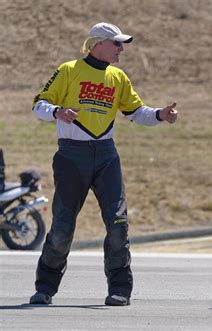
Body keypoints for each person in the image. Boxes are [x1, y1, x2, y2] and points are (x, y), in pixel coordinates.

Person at [29, 22, 178, 306]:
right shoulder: (69, 70)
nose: (121, 49)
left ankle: (119, 288)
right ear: (98, 43)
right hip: (71, 156)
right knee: (62, 226)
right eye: (117, 44)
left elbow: (136, 112)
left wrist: (160, 114)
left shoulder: (118, 77)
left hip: (107, 155)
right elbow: (39, 104)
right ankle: (45, 287)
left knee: (118, 224)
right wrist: (57, 112)